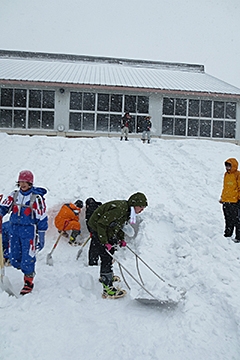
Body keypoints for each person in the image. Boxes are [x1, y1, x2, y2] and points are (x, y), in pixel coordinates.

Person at [88, 192, 148, 298]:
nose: (142, 210)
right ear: (134, 204)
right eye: (141, 207)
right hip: (97, 227)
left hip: (105, 228)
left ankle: (107, 276)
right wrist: (105, 242)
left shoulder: (127, 211)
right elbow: (101, 224)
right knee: (106, 256)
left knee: (110, 252)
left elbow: (119, 225)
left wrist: (120, 239)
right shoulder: (119, 210)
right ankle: (107, 288)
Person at [0, 170, 48, 295]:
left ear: (30, 183)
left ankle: (28, 281)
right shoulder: (14, 195)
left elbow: (42, 217)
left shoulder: (36, 198)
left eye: (25, 182)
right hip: (14, 229)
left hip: (28, 231)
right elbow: (4, 207)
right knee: (14, 257)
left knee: (28, 257)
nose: (23, 184)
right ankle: (25, 269)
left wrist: (41, 234)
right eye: (21, 182)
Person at [219, 158, 240, 242]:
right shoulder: (226, 174)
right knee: (227, 219)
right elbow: (225, 188)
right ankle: (227, 234)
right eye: (226, 165)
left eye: (229, 165)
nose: (227, 167)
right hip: (226, 201)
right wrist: (222, 197)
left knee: (237, 220)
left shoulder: (237, 174)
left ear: (233, 166)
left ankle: (238, 237)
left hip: (235, 202)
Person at [85, 197, 102, 266]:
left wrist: (91, 231)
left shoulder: (89, 210)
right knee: (103, 245)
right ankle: (106, 260)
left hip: (96, 230)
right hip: (103, 229)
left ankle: (93, 262)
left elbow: (89, 222)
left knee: (94, 247)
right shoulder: (100, 206)